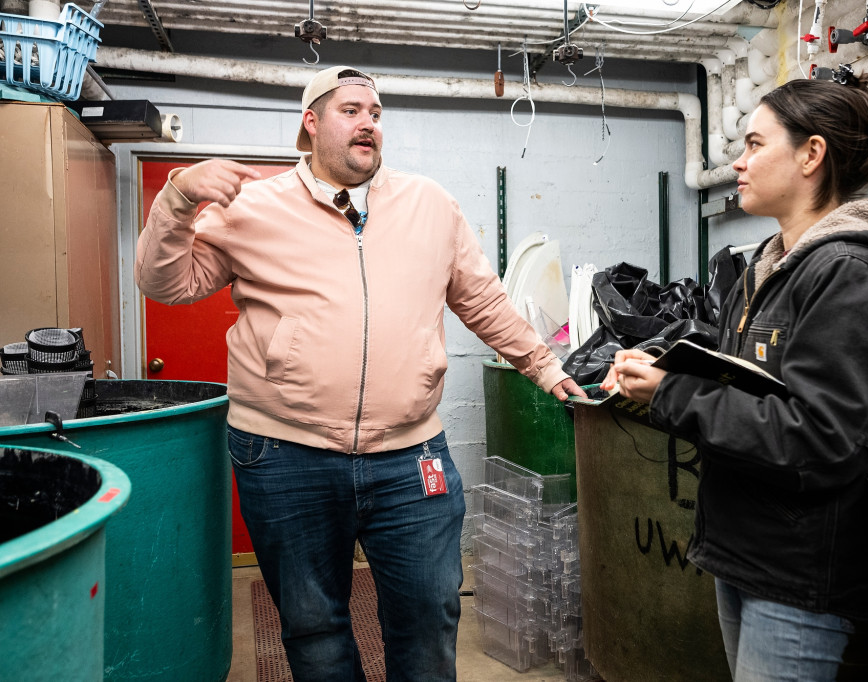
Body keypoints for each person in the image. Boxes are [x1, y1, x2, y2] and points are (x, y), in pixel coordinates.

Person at [135, 65, 584, 682]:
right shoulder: (253, 208)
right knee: (313, 625)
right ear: (311, 124)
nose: (367, 121)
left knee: (429, 612)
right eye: (350, 110)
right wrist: (180, 195)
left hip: (409, 456)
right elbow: (166, 283)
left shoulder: (429, 204)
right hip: (284, 453)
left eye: (375, 111)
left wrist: (542, 364)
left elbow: (481, 301)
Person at [603, 75, 868, 681]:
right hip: (744, 549)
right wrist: (665, 365)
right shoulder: (769, 268)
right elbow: (745, 386)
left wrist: (671, 394)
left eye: (753, 145)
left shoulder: (851, 273)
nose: (738, 164)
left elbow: (823, 439)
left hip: (795, 572)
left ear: (811, 154)